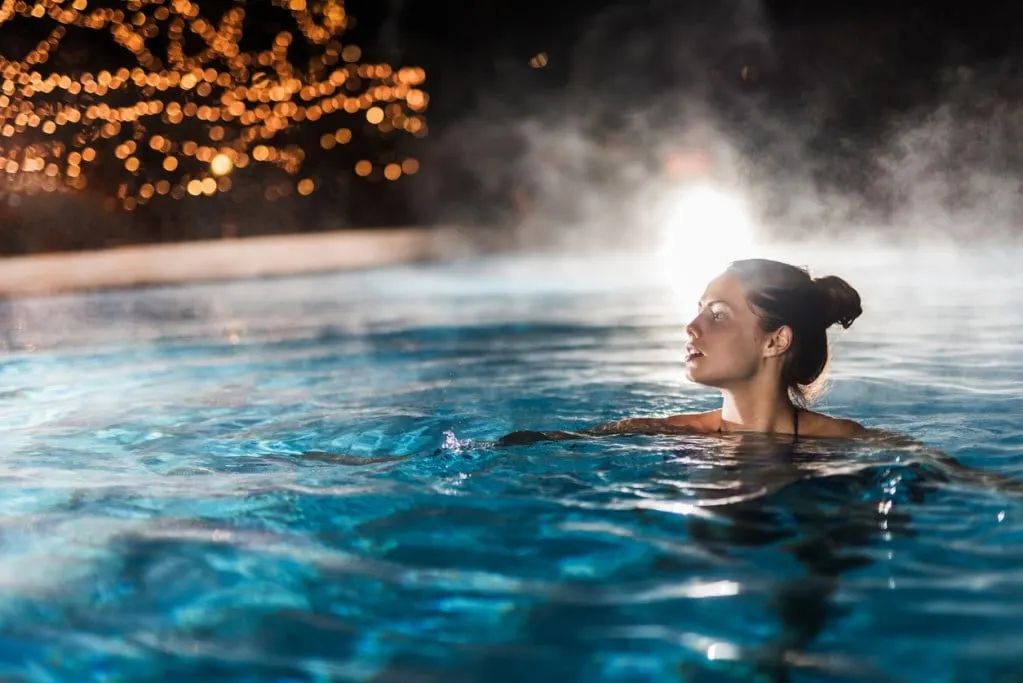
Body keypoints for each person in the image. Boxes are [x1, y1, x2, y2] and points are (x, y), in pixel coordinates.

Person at [499, 258, 866, 445]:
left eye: (719, 314)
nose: (692, 326)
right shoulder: (654, 432)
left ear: (776, 341)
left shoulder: (848, 442)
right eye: (700, 308)